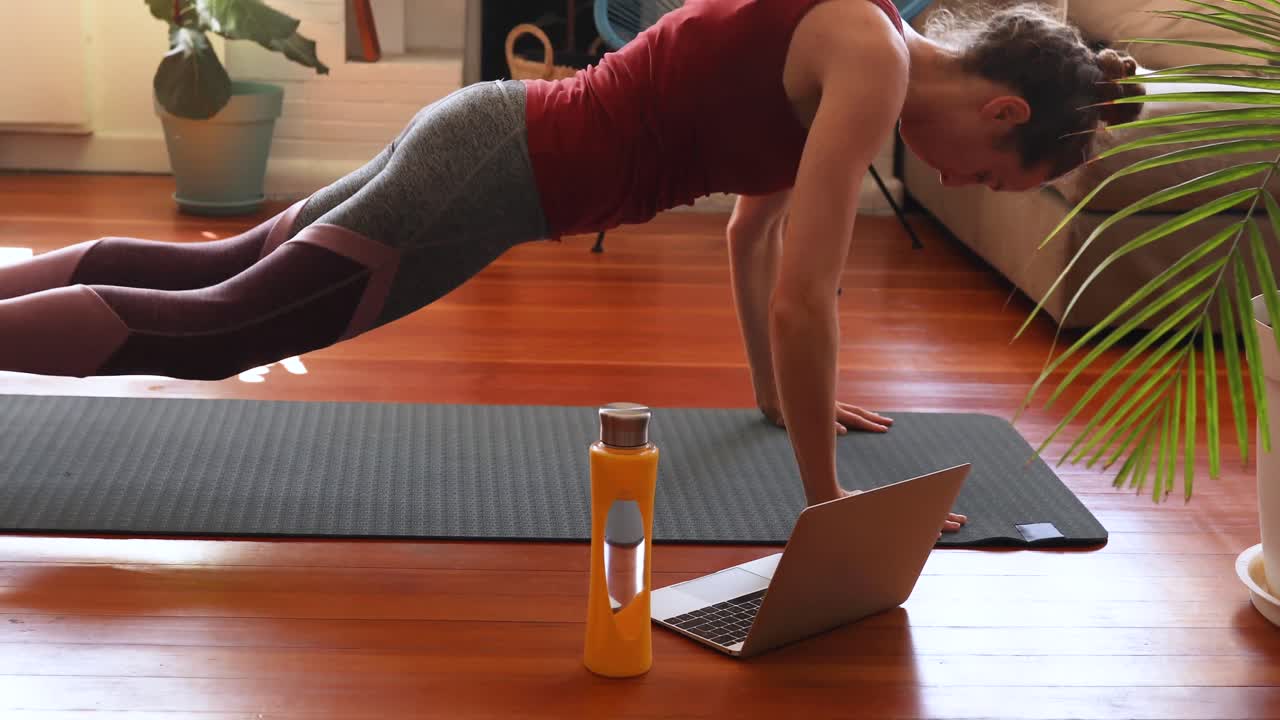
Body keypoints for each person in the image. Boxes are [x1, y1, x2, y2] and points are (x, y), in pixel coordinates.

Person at [0, 0, 1143, 526]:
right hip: (493, 173)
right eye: (994, 176)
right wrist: (825, 500)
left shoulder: (856, 43)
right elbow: (808, 296)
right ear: (1000, 111)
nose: (963, 185)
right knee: (227, 330)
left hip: (488, 136)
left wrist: (770, 401)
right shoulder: (867, 56)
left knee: (223, 272)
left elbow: (752, 238)